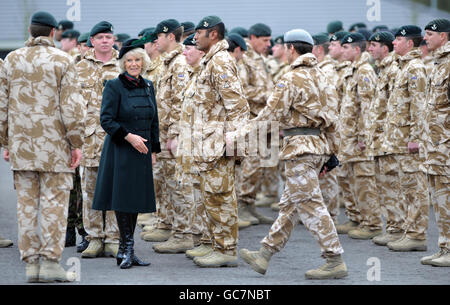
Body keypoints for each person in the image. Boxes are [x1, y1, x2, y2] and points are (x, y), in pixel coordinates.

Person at [237, 29, 347, 279]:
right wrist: (332, 152)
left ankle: (334, 259)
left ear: (291, 49)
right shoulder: (323, 77)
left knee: (310, 204)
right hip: (317, 147)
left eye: (285, 48)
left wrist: (237, 134)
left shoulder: (291, 78)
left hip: (299, 148)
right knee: (290, 206)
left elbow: (269, 115)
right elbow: (334, 119)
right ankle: (264, 254)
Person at [0, 11, 85, 282]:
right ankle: (50, 263)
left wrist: (6, 142)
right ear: (53, 32)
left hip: (22, 147)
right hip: (55, 148)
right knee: (54, 206)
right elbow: (72, 108)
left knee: (26, 206)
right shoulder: (63, 60)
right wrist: (76, 144)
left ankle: (31, 265)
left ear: (30, 31)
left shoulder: (11, 60)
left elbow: (2, 106)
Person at [92, 39, 160, 269]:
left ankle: (124, 250)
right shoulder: (114, 85)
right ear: (123, 63)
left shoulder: (149, 85)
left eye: (137, 60)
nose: (133, 64)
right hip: (121, 149)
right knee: (123, 199)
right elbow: (106, 120)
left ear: (144, 61)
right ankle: (128, 247)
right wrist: (128, 136)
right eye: (129, 60)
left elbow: (154, 121)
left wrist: (154, 150)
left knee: (136, 200)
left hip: (142, 151)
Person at [191, 15, 249, 267]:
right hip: (207, 143)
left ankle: (226, 250)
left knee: (221, 196)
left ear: (213, 34)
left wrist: (234, 140)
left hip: (219, 144)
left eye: (198, 32)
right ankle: (216, 245)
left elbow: (237, 105)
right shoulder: (209, 61)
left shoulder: (221, 62)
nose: (194, 37)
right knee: (211, 197)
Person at [76, 21, 121, 258]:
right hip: (87, 141)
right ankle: (94, 237)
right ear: (92, 41)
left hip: (116, 140)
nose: (105, 40)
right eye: (100, 37)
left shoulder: (125, 66)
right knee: (90, 192)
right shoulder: (78, 68)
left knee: (114, 189)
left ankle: (113, 238)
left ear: (113, 40)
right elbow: (70, 105)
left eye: (108, 37)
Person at [147, 19, 191, 253]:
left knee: (177, 184)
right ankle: (170, 225)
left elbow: (180, 101)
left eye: (159, 37)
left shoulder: (179, 63)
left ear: (170, 37)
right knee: (166, 182)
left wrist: (174, 134)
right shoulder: (168, 62)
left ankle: (183, 233)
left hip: (173, 136)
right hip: (163, 134)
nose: (156, 41)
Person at [383, 25, 429, 252]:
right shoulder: (404, 67)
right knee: (407, 187)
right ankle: (409, 231)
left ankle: (417, 235)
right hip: (400, 139)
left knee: (415, 187)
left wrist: (416, 138)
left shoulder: (415, 68)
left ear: (409, 43)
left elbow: (419, 107)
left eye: (398, 40)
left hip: (409, 141)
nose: (393, 43)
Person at [337, 33, 382, 240]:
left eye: (345, 48)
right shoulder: (352, 70)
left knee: (364, 181)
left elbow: (368, 107)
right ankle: (356, 217)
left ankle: (372, 223)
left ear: (356, 50)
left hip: (358, 139)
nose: (342, 50)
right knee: (349, 179)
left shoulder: (364, 71)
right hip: (347, 138)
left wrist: (364, 137)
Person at [366, 31, 403, 246]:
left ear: (385, 48)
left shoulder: (394, 70)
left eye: (374, 45)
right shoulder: (384, 69)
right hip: (380, 138)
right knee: (384, 185)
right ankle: (392, 227)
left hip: (389, 138)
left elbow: (396, 106)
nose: (370, 49)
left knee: (391, 185)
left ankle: (397, 228)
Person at [237, 23, 275, 226]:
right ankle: (241, 205)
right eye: (264, 40)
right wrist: (269, 96)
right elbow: (243, 90)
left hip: (265, 121)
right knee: (250, 165)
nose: (268, 44)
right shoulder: (245, 58)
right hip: (251, 120)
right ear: (252, 38)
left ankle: (250, 205)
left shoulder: (260, 58)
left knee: (261, 165)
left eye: (270, 40)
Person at [420, 19, 449, 266]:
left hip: (446, 147)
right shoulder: (437, 63)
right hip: (435, 146)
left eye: (430, 34)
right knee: (439, 199)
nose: (425, 38)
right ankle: (444, 247)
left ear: (444, 36)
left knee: (447, 198)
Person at [312, 33, 340, 225]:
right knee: (321, 174)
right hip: (321, 128)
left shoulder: (327, 71)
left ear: (317, 49)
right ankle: (324, 217)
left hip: (326, 127)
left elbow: (327, 104)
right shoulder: (320, 69)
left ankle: (330, 217)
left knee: (328, 175)